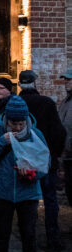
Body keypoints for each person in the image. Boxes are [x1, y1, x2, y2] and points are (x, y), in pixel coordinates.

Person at [0, 95, 50, 252]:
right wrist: (2, 141)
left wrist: (32, 175)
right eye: (14, 123)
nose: (17, 128)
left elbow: (44, 162)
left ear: (26, 120)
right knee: (1, 234)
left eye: (21, 123)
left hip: (28, 192)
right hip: (1, 190)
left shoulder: (35, 134)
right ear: (7, 120)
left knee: (29, 234)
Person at [18, 69, 66, 250]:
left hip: (23, 161)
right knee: (50, 200)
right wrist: (55, 154)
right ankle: (53, 238)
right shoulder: (47, 103)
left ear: (20, 85)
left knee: (25, 201)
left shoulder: (16, 103)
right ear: (35, 83)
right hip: (46, 160)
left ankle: (27, 238)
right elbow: (59, 132)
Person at [59, 67, 72, 207]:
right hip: (67, 156)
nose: (66, 82)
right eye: (65, 79)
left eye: (69, 79)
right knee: (70, 191)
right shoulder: (64, 103)